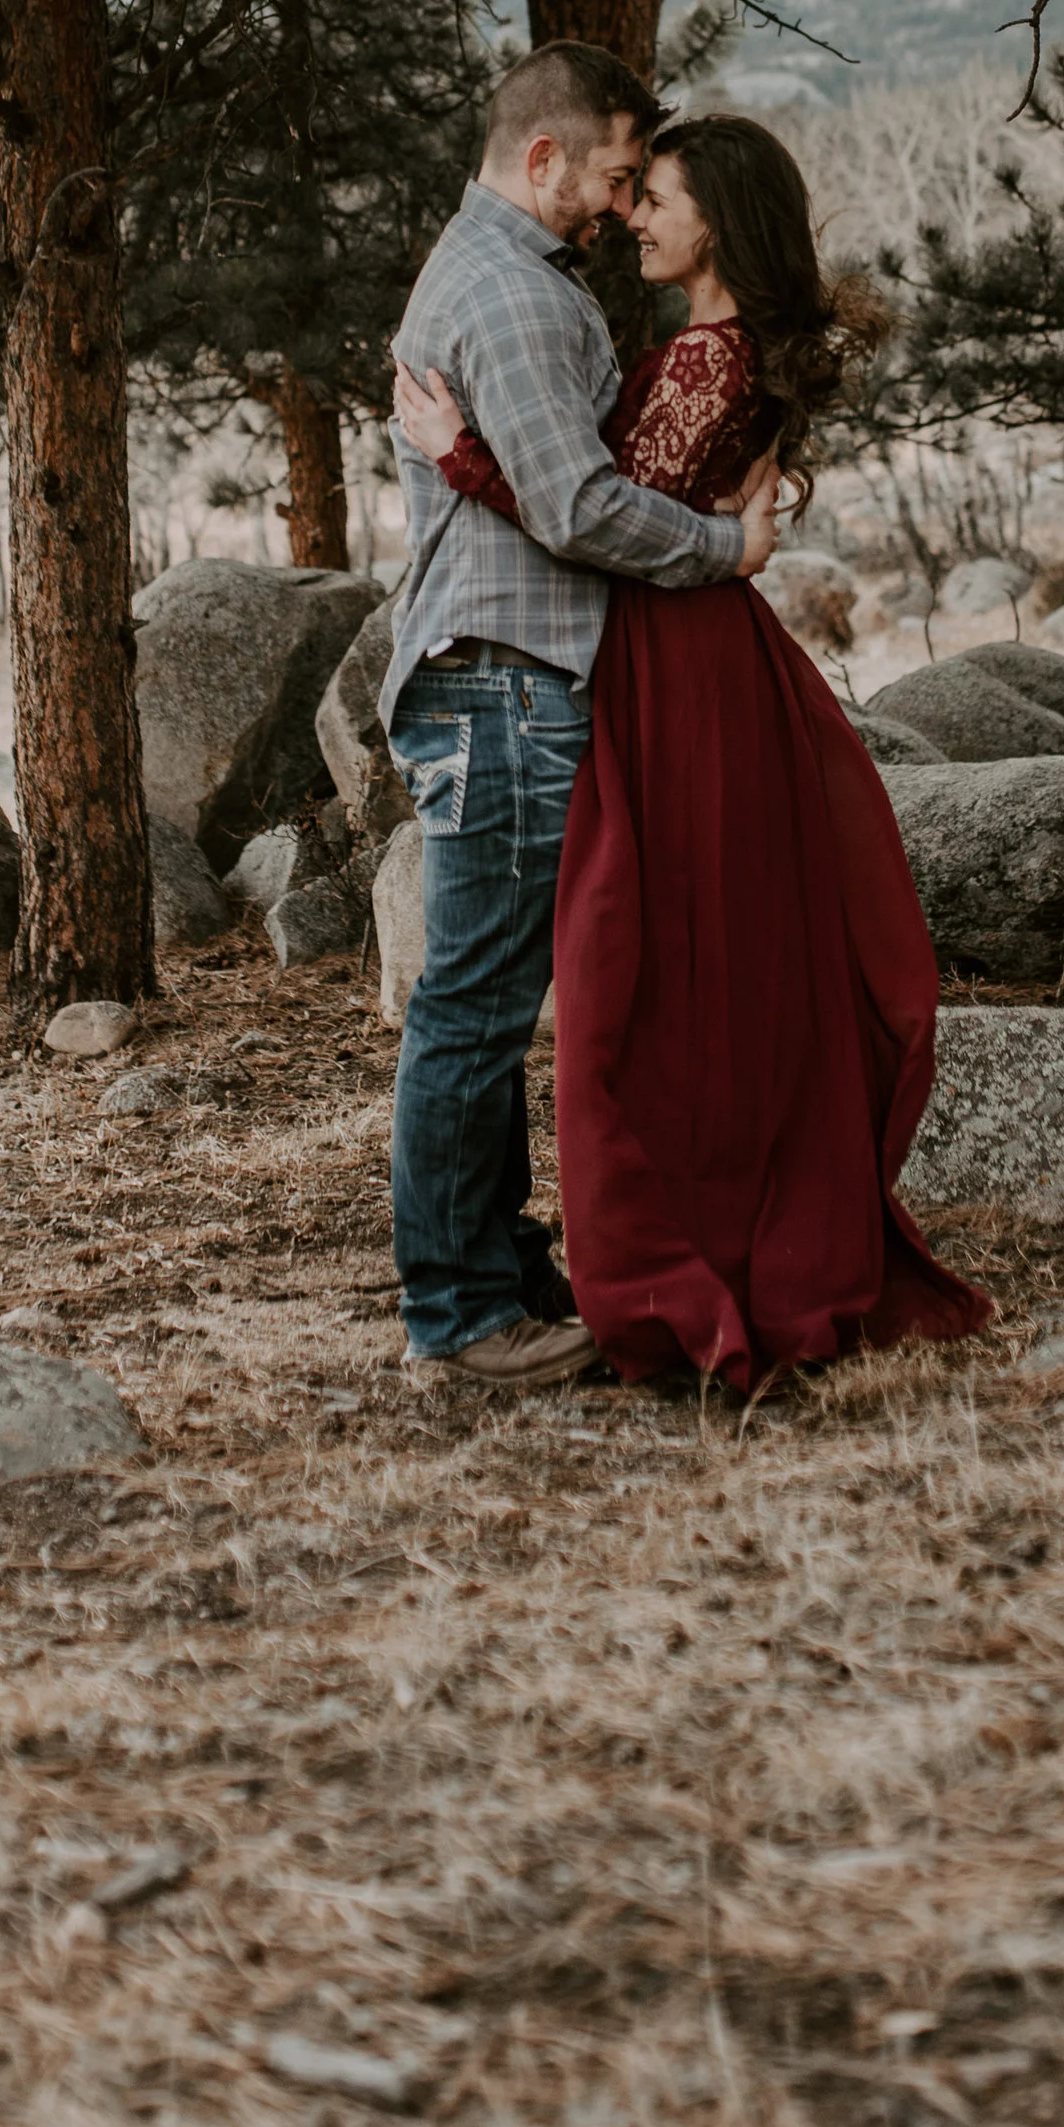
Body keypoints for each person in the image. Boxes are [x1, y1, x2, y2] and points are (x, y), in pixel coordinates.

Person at [393, 108, 991, 1397]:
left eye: (653, 195)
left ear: (717, 212)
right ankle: (609, 1256)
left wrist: (463, 459)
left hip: (683, 669)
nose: (635, 217)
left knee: (653, 979)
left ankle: (664, 1260)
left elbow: (601, 515)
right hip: (672, 659)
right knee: (655, 975)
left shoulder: (713, 362)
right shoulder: (696, 349)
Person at [380, 42, 784, 1392]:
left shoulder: (517, 279)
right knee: (476, 1010)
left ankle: (493, 1280)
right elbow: (579, 507)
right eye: (613, 176)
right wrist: (720, 552)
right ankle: (460, 1318)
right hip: (500, 675)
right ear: (542, 157)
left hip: (500, 671)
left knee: (483, 1004)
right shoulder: (508, 298)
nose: (620, 206)